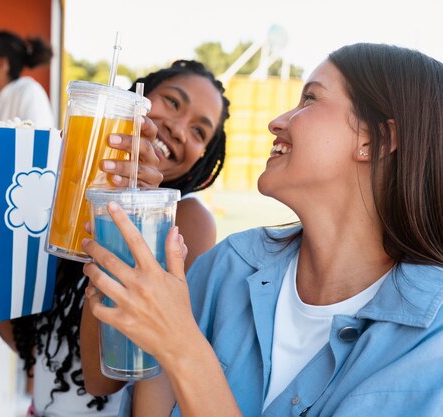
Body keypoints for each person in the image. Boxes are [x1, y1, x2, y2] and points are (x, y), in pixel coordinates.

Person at [80, 43, 443, 417]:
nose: (278, 121)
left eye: (310, 99)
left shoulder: (432, 343)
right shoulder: (226, 267)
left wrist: (183, 348)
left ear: (373, 140)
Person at [0, 60, 231, 416]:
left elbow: (102, 380)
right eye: (172, 102)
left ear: (203, 159)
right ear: (136, 99)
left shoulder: (185, 219)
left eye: (200, 132)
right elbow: (37, 349)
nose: (179, 129)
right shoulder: (66, 189)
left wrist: (128, 209)